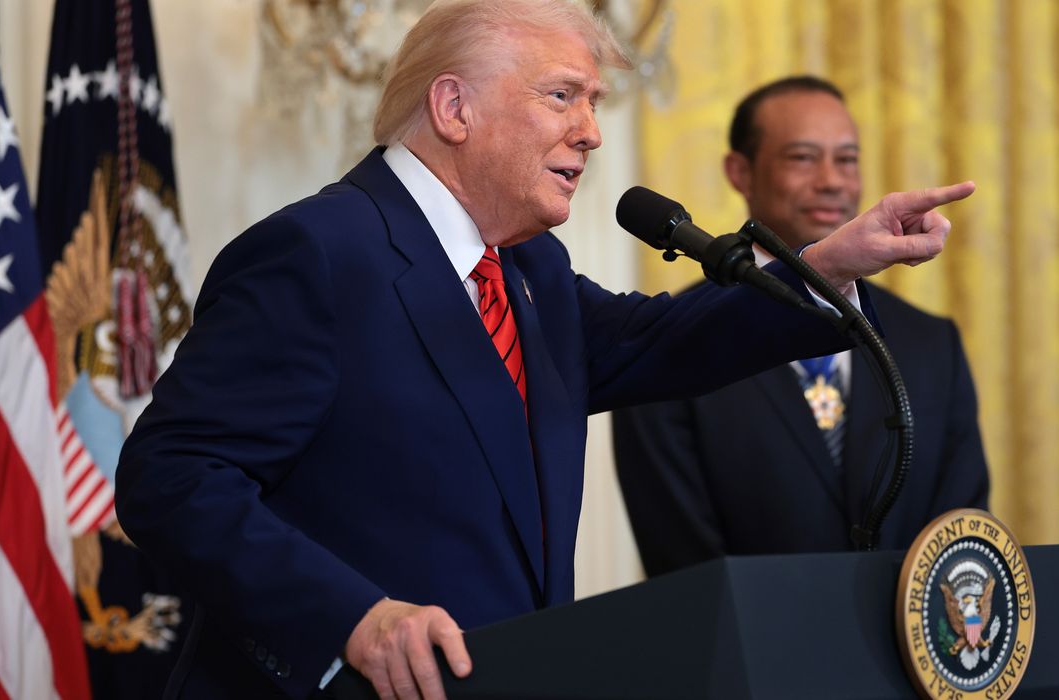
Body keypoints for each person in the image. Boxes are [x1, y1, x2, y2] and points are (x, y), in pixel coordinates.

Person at [114, 6, 974, 699]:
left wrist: (827, 265)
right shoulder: (319, 252)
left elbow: (664, 341)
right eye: (563, 96)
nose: (591, 132)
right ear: (454, 108)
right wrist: (353, 617)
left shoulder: (530, 270)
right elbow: (172, 478)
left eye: (592, 102)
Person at [612, 76, 989, 578]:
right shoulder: (667, 343)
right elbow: (682, 563)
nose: (831, 180)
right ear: (740, 172)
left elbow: (960, 535)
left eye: (847, 160)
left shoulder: (930, 343)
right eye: (803, 158)